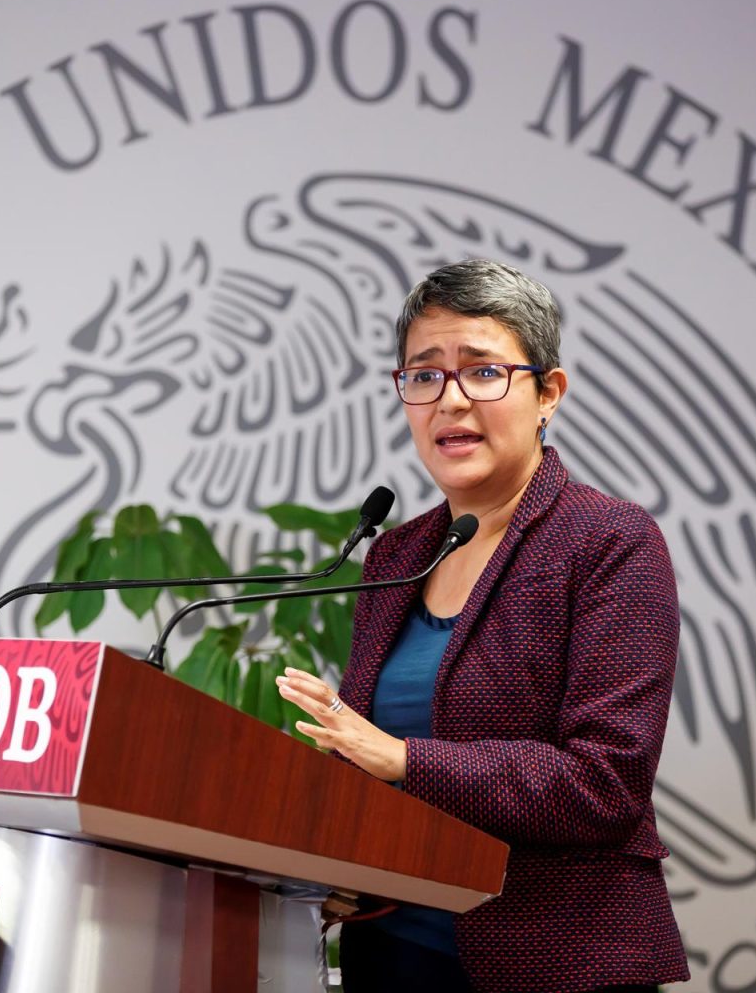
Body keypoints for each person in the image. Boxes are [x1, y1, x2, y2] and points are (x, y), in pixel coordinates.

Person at [275, 259, 688, 993]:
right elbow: (362, 761)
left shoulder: (608, 541)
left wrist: (407, 760)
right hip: (392, 954)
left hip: (554, 963)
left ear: (547, 394)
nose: (450, 400)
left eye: (483, 372)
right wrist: (328, 867)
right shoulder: (397, 554)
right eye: (424, 375)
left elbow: (605, 782)